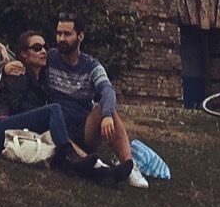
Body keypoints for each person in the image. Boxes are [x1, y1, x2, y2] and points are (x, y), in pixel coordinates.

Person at [46, 12, 146, 185]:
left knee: (106, 110)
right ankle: (98, 167)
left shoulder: (91, 65)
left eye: (67, 34)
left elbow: (107, 89)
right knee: (56, 125)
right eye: (58, 33)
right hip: (57, 126)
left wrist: (107, 114)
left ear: (80, 36)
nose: (61, 38)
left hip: (84, 128)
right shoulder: (49, 58)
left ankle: (129, 166)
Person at [0, 31, 97, 171]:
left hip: (21, 129)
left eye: (45, 47)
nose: (43, 51)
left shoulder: (44, 81)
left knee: (56, 122)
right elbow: (15, 106)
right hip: (0, 128)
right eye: (37, 48)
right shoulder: (18, 74)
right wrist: (43, 116)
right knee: (53, 110)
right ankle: (69, 156)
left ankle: (99, 170)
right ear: (24, 54)